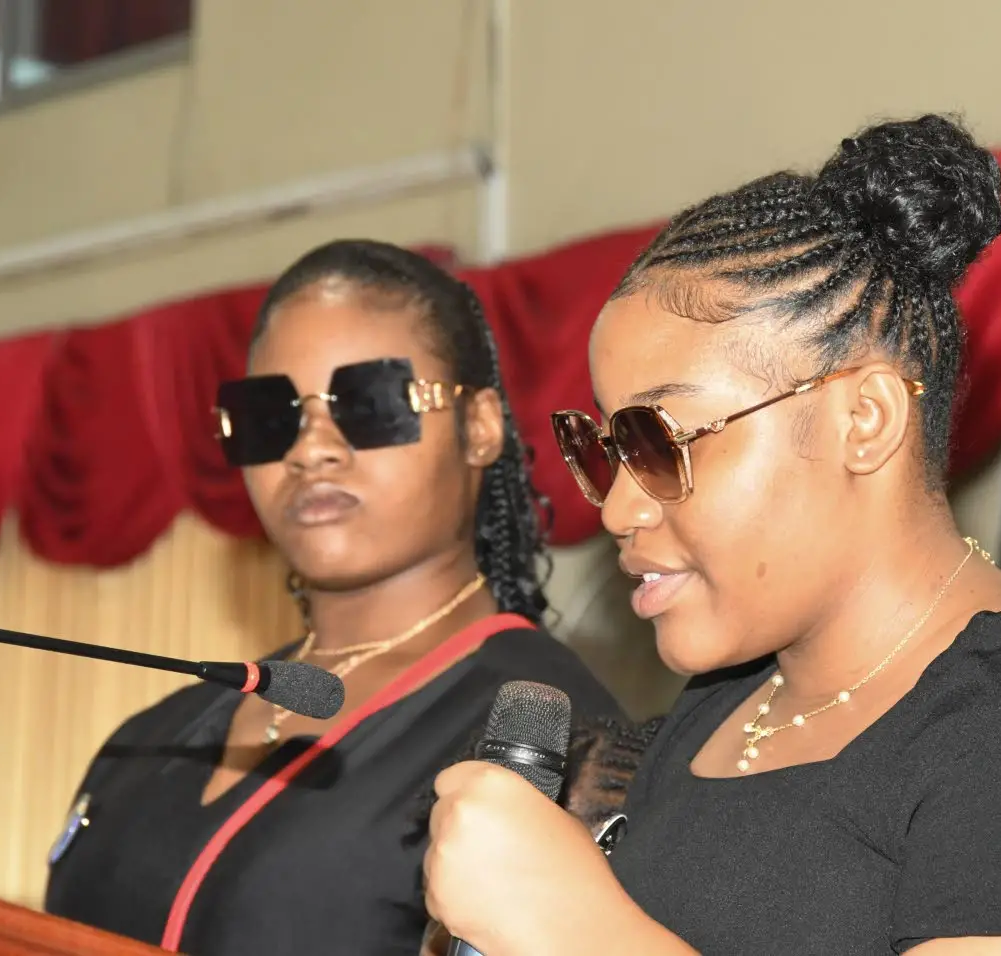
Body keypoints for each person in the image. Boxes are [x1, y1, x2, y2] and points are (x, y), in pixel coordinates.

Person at [422, 116, 1001, 955]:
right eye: (607, 449)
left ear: (863, 420)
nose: (618, 509)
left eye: (659, 441)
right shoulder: (719, 709)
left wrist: (573, 926)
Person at [43, 240, 623, 955]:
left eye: (370, 402)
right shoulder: (148, 737)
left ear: (478, 427)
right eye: (270, 414)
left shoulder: (550, 742)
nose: (310, 448)